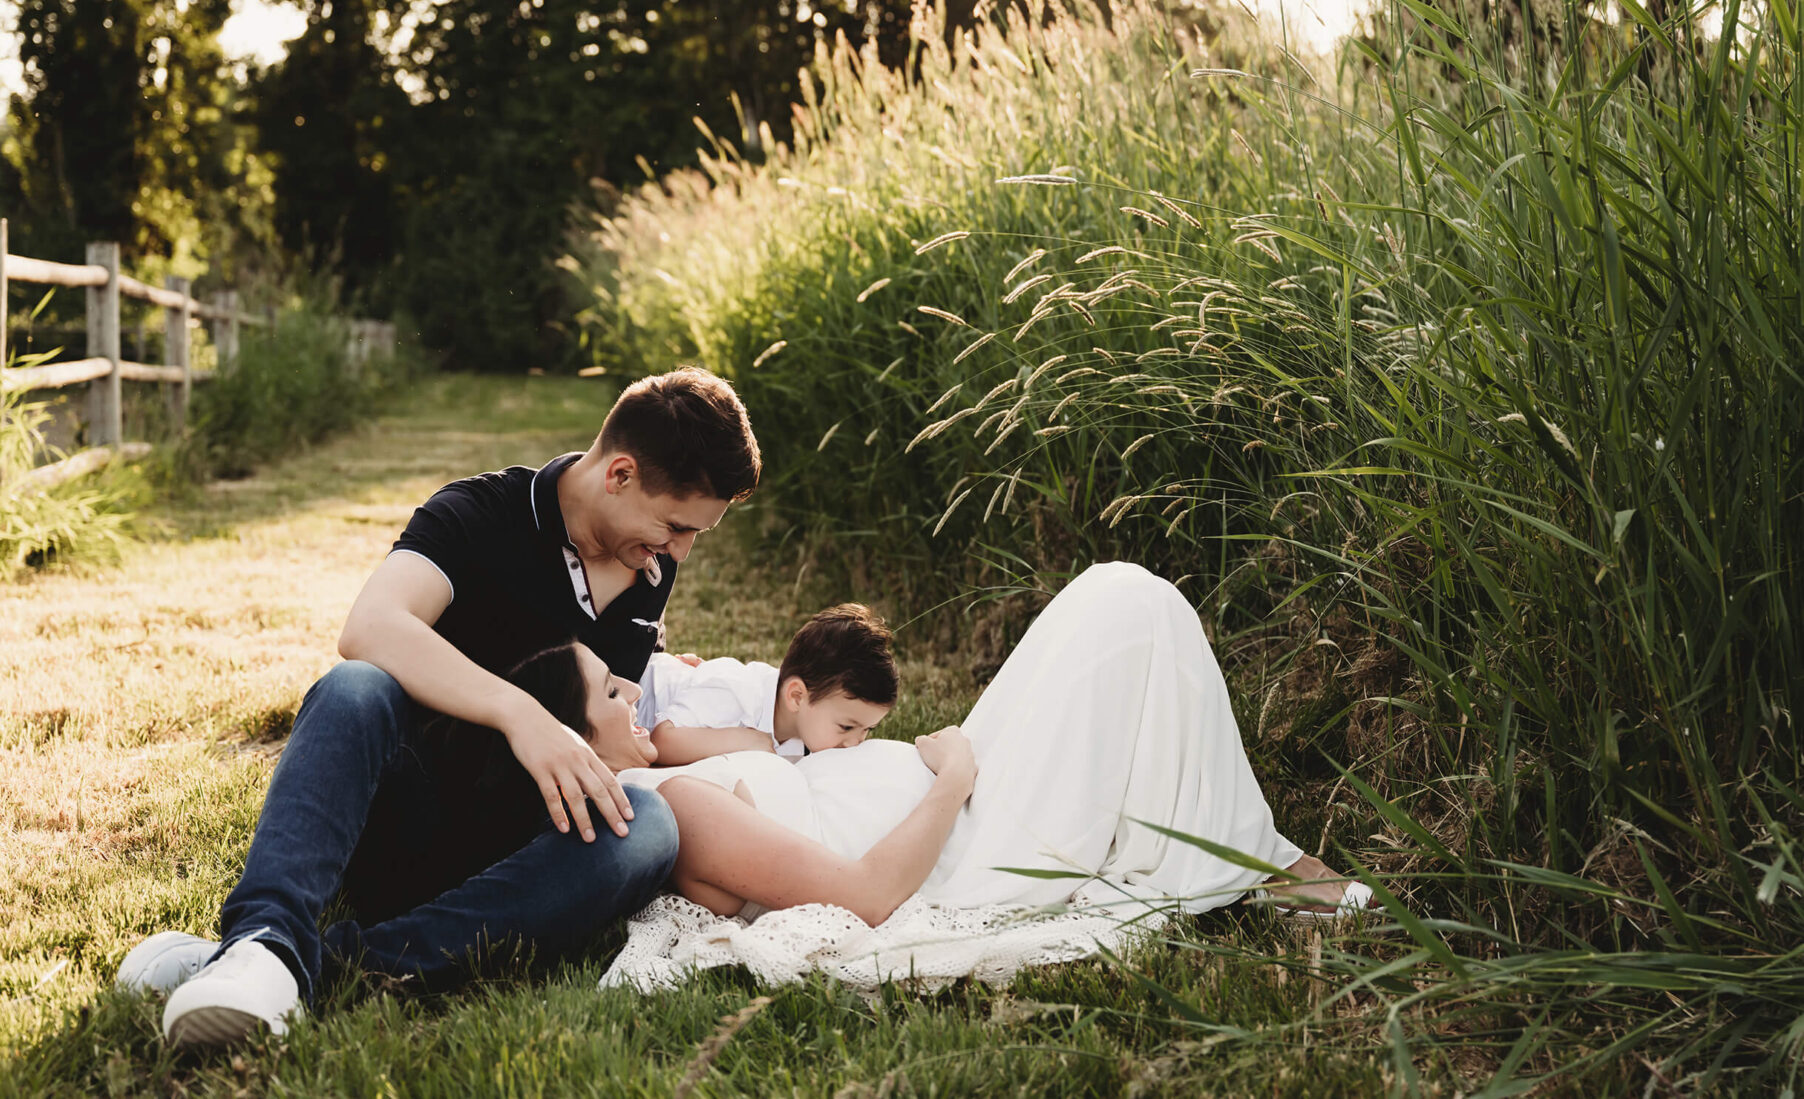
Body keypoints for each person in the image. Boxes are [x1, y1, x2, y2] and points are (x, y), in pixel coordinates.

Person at [114, 368, 761, 1047]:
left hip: (522, 853)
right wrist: (521, 714)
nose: (681, 550)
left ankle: (286, 965)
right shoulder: (479, 514)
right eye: (675, 525)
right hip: (406, 815)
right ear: (620, 474)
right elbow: (370, 626)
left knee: (649, 828)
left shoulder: (650, 565)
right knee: (355, 687)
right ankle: (269, 933)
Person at [499, 562, 1371, 976]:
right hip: (971, 838)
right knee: (1129, 604)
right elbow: (865, 896)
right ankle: (1270, 860)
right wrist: (953, 774)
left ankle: (1257, 852)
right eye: (612, 693)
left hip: (960, 793)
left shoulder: (676, 763)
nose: (632, 693)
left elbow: (739, 733)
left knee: (1123, 599)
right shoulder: (669, 807)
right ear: (569, 738)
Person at [644, 603, 898, 765]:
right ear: (797, 697)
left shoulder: (804, 737)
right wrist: (745, 742)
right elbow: (660, 742)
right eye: (846, 727)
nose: (855, 743)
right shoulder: (738, 693)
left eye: (867, 730)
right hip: (627, 691)